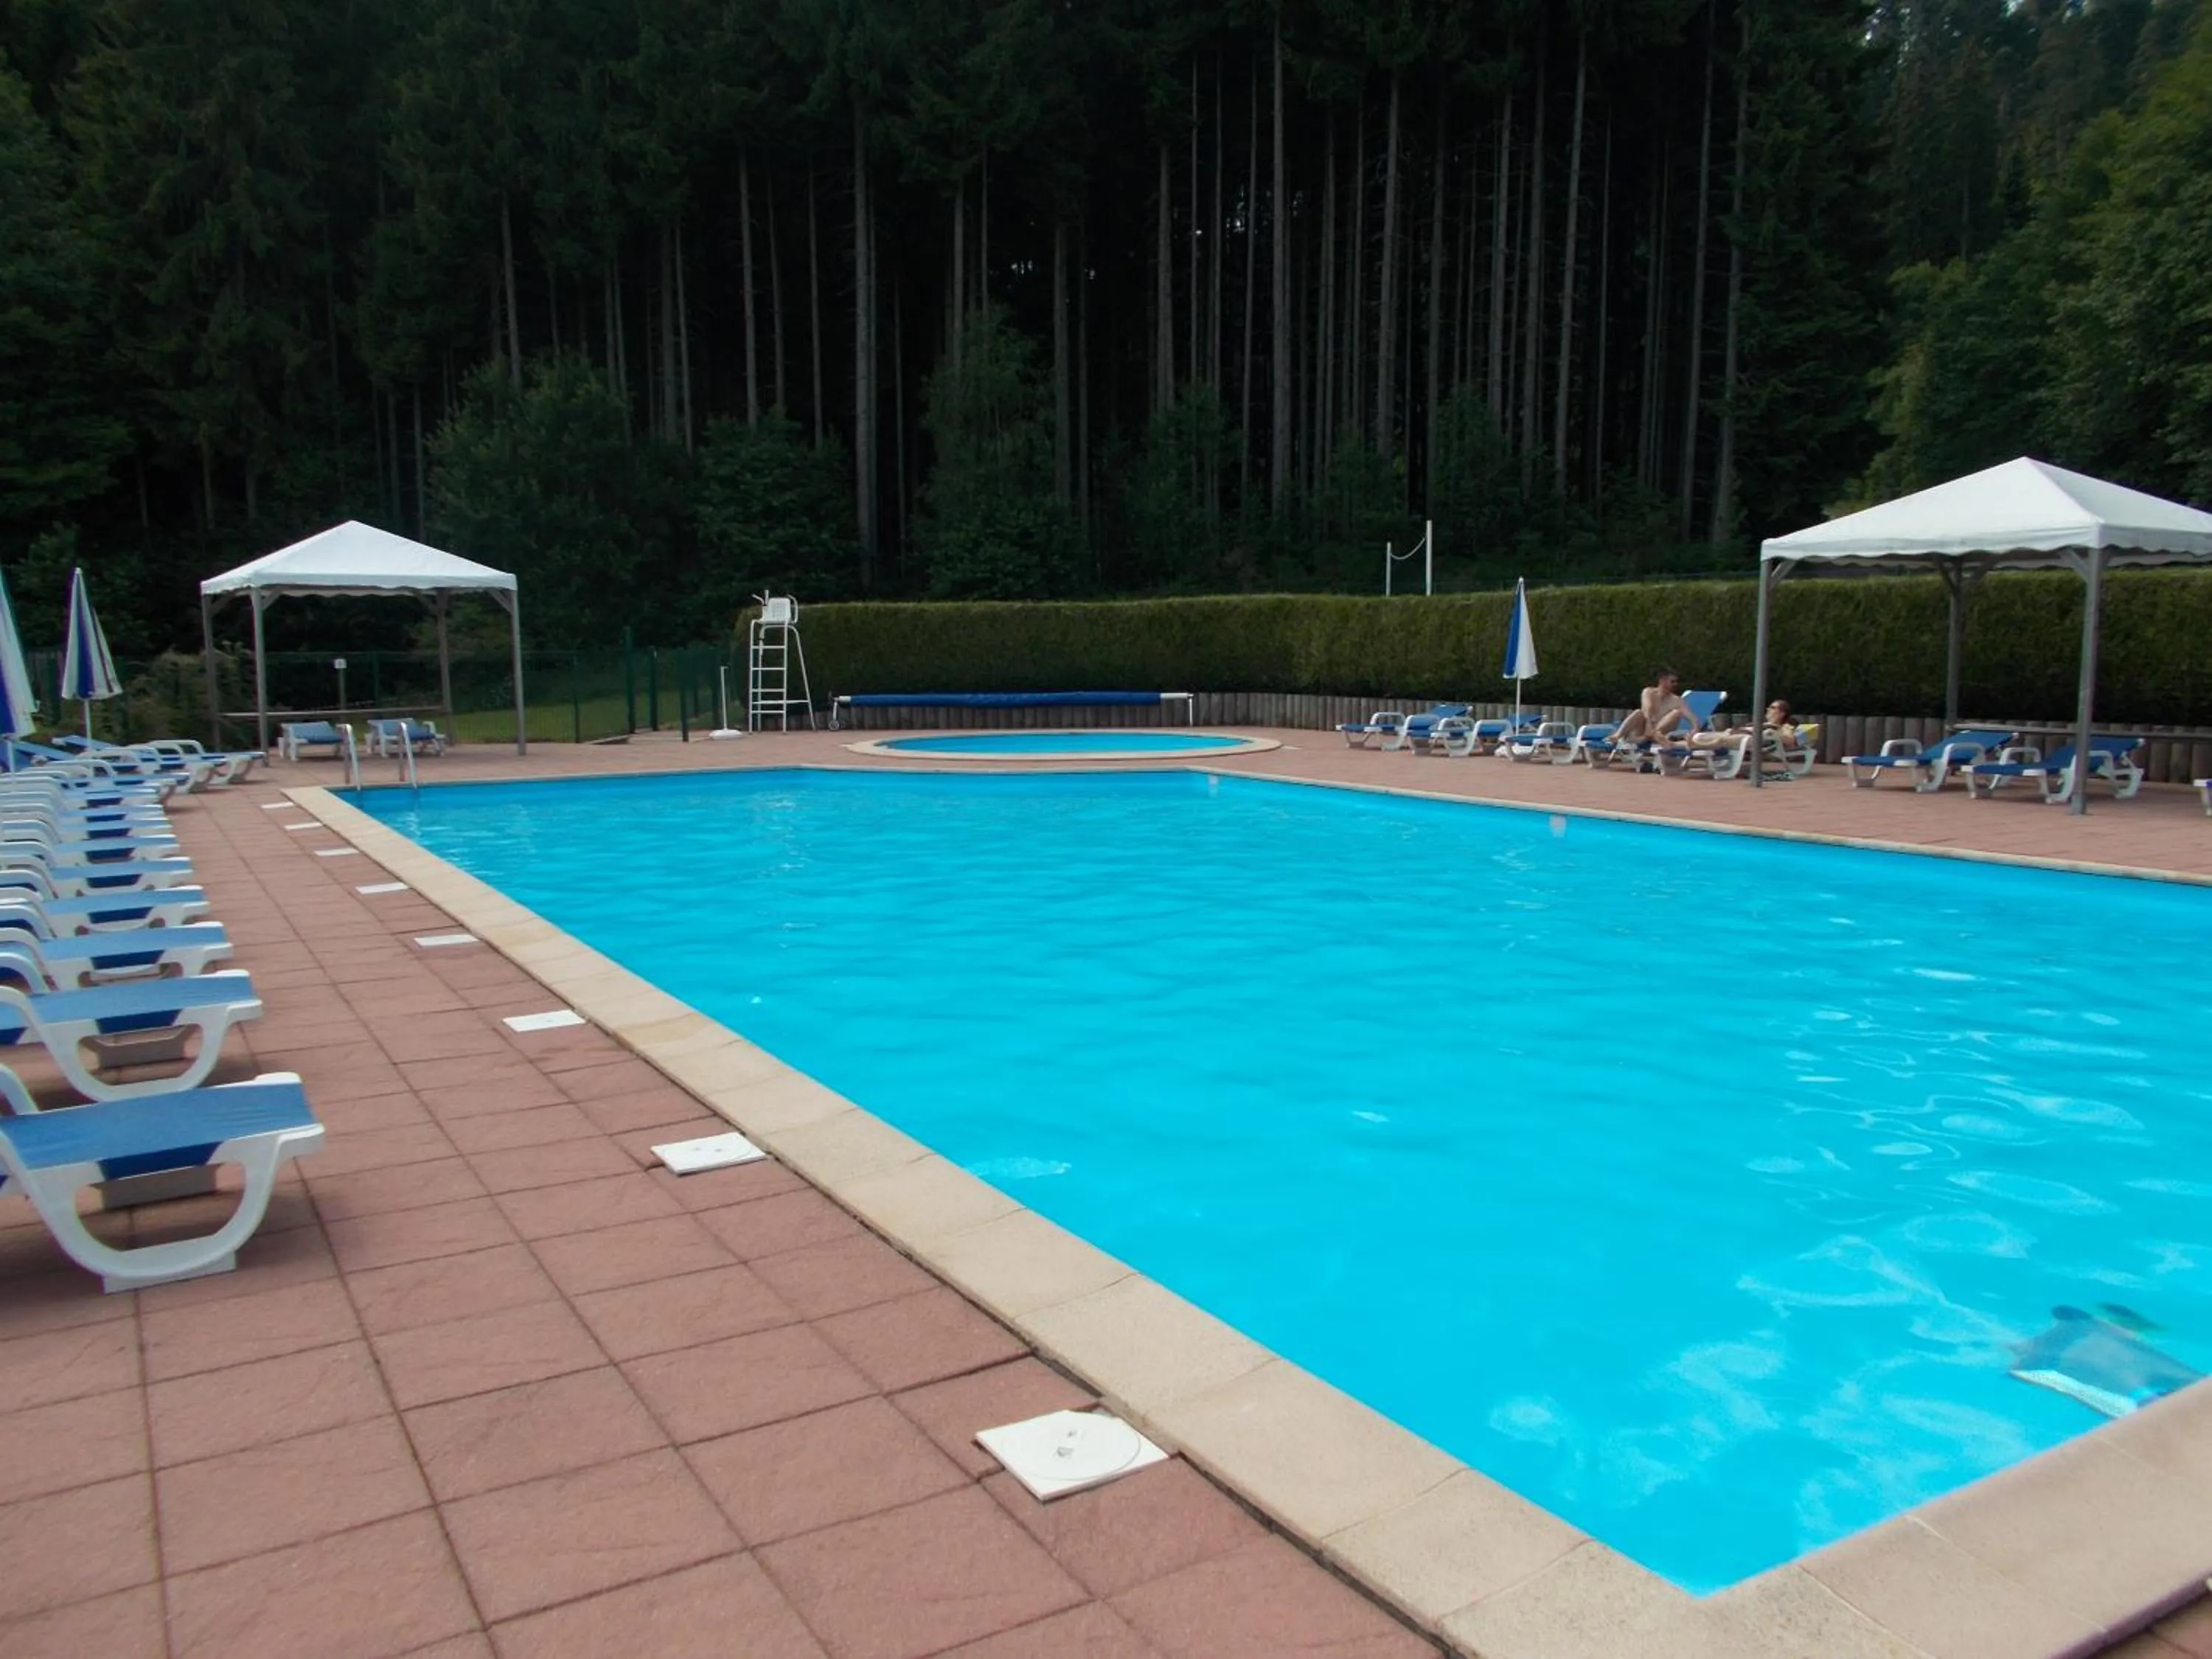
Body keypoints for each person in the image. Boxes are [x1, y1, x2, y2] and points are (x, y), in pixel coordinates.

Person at [1610, 669, 1695, 745]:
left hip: (1658, 734)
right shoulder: (1649, 692)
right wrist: (1648, 725)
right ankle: (1617, 736)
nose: (1675, 684)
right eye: (1672, 681)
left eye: (1676, 682)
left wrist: (1694, 730)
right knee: (1638, 712)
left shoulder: (1677, 700)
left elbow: (1693, 719)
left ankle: (1651, 736)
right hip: (1642, 731)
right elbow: (1648, 708)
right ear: (1662, 681)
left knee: (1676, 713)